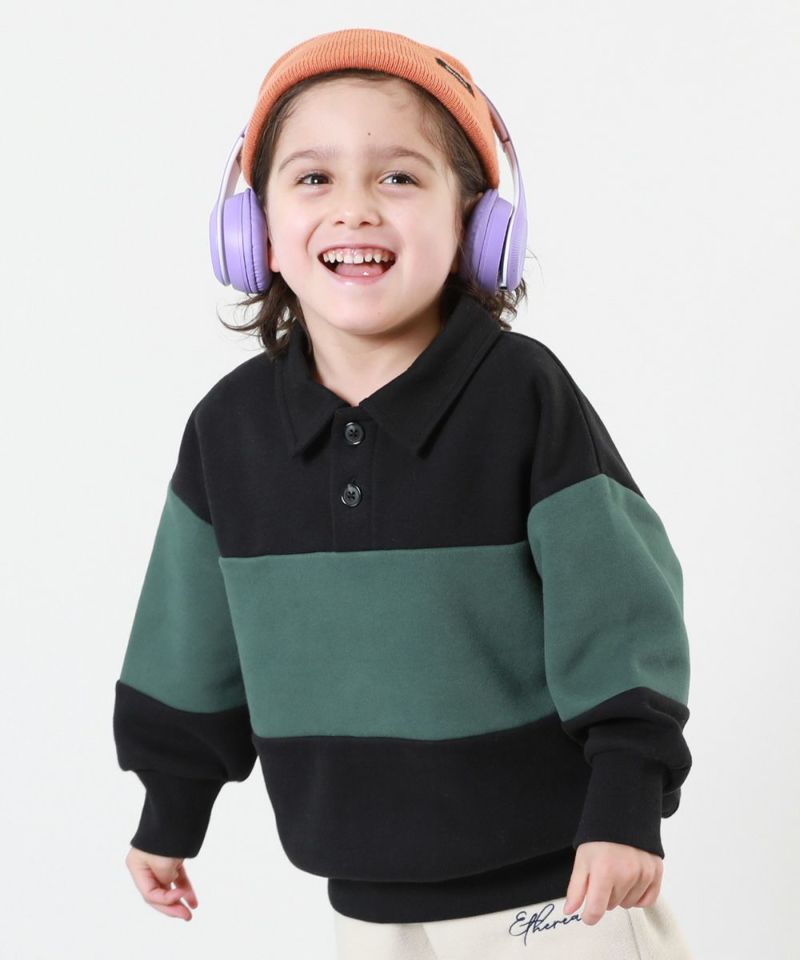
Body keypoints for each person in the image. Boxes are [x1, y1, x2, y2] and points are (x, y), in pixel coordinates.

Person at [113, 27, 695, 960]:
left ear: (477, 227)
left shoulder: (523, 397)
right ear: (252, 231)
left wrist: (628, 800)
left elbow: (620, 613)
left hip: (560, 889)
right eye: (313, 178)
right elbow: (191, 641)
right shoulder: (228, 431)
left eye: (398, 177)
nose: (354, 208)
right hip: (365, 901)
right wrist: (170, 808)